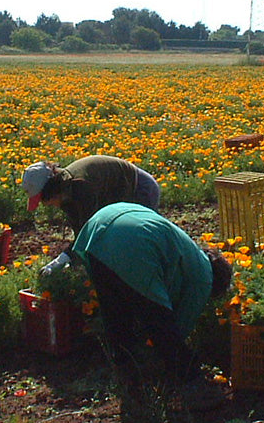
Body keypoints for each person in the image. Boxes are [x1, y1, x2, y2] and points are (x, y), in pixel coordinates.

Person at [69, 202, 233, 410]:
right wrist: (166, 354)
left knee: (116, 315)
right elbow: (178, 325)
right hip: (133, 242)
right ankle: (193, 386)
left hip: (101, 227)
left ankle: (129, 378)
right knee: (161, 325)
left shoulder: (189, 251)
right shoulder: (204, 277)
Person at [21, 155, 161, 275]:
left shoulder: (80, 188)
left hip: (140, 189)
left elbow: (91, 233)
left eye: (44, 200)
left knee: (136, 243)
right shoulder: (66, 192)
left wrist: (63, 259)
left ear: (51, 190)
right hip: (116, 196)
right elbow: (81, 233)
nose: (46, 205)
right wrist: (71, 261)